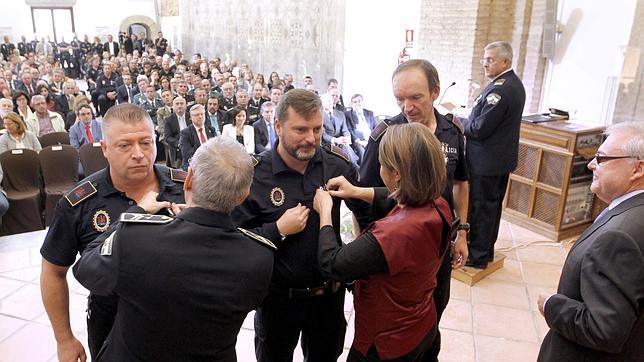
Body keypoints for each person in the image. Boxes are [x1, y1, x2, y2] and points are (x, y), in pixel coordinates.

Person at [73, 136, 275, 361]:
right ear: (243, 195)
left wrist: (136, 213)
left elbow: (85, 268)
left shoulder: (135, 237)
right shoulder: (260, 256)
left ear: (189, 179)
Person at [39, 103, 186, 362]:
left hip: (179, 316)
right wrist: (64, 339)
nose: (139, 154)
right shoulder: (80, 202)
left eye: (146, 142)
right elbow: (53, 271)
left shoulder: (184, 188)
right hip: (112, 320)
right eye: (125, 145)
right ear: (105, 149)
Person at [232, 89, 368, 362]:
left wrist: (356, 259)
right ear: (278, 126)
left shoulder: (337, 164)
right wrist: (277, 229)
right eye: (301, 129)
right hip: (279, 300)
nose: (310, 138)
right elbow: (234, 240)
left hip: (329, 298)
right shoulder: (254, 175)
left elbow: (365, 214)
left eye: (317, 129)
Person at [314, 123, 455, 361]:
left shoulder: (392, 235)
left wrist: (325, 212)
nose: (380, 169)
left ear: (397, 173)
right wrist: (357, 192)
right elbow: (398, 200)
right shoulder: (439, 204)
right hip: (421, 322)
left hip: (387, 342)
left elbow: (333, 263)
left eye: (382, 164)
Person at [359, 59, 469, 361]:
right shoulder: (385, 134)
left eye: (415, 97)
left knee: (433, 311)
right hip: (394, 252)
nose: (406, 107)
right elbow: (362, 193)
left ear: (434, 92)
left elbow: (461, 183)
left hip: (437, 246)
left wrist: (462, 233)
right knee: (390, 330)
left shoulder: (452, 132)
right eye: (399, 99)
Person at [537, 122, 644, 361]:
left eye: (602, 158)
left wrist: (552, 305)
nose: (591, 164)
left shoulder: (618, 236)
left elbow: (604, 330)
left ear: (637, 168)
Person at [462, 41, 526, 269]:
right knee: (491, 208)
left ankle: (477, 257)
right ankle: (486, 251)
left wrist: (459, 121)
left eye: (489, 60)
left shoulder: (500, 89)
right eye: (484, 59)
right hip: (498, 160)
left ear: (506, 61)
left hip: (485, 163)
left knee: (481, 210)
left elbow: (479, 128)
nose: (485, 64)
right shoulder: (513, 83)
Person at [179, 104, 215, 170]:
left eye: (202, 114)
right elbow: (187, 154)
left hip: (211, 162)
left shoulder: (211, 129)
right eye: (197, 115)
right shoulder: (185, 133)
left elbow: (215, 148)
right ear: (191, 117)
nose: (200, 117)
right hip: (194, 163)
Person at [164, 96, 191, 168]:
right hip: (177, 148)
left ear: (186, 105)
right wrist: (179, 143)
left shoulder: (191, 117)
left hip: (191, 145)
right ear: (173, 106)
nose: (179, 106)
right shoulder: (169, 120)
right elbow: (167, 137)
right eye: (177, 104)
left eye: (182, 104)